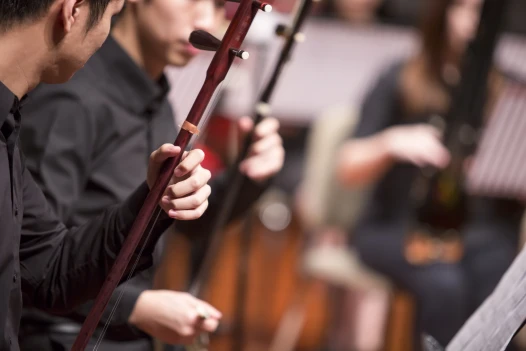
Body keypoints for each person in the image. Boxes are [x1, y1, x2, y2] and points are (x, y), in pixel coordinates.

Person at [17, 0, 285, 349]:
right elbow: (31, 263)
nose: (207, 20)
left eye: (219, 6)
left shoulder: (154, 93)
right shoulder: (72, 97)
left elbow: (174, 223)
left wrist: (247, 177)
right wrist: (137, 307)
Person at [0, 0, 214, 350]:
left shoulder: (8, 121)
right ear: (74, 10)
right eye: (111, 15)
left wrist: (153, 198)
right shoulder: (71, 99)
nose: (104, 37)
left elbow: (46, 267)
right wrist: (137, 307)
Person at [336, 0, 525, 349]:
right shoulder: (400, 76)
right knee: (445, 285)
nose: (477, 22)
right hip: (396, 229)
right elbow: (347, 166)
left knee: (499, 277)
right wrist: (392, 142)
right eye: (469, 10)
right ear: (444, 14)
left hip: (475, 235)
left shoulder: (510, 90)